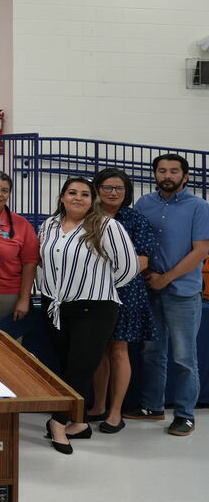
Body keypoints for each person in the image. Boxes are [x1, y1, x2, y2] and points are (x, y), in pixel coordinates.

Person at [35, 177, 138, 454]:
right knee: (68, 366)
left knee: (82, 366)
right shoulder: (49, 225)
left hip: (95, 307)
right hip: (56, 306)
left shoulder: (107, 226)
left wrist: (96, 285)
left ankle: (58, 422)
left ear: (93, 200)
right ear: (62, 197)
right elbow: (44, 262)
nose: (78, 198)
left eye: (84, 194)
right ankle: (79, 423)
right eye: (72, 192)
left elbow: (128, 268)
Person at [128, 153, 209, 436]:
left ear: (185, 176)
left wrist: (166, 278)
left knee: (185, 357)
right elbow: (137, 242)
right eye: (162, 170)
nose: (167, 175)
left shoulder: (199, 207)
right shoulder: (144, 203)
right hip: (150, 288)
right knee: (152, 351)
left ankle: (185, 415)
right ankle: (153, 406)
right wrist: (151, 275)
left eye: (174, 171)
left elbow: (201, 250)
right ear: (155, 174)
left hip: (183, 292)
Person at [87, 169, 157, 433]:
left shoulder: (135, 220)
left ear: (126, 192)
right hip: (91, 292)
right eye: (107, 187)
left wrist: (108, 278)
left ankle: (115, 412)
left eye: (119, 188)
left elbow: (142, 261)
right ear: (97, 189)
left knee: (118, 349)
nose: (113, 192)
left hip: (126, 292)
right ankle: (98, 406)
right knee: (97, 350)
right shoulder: (87, 217)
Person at [0, 171, 40, 324]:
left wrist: (24, 299)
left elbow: (30, 264)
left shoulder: (21, 225)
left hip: (7, 297)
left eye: (4, 190)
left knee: (6, 339)